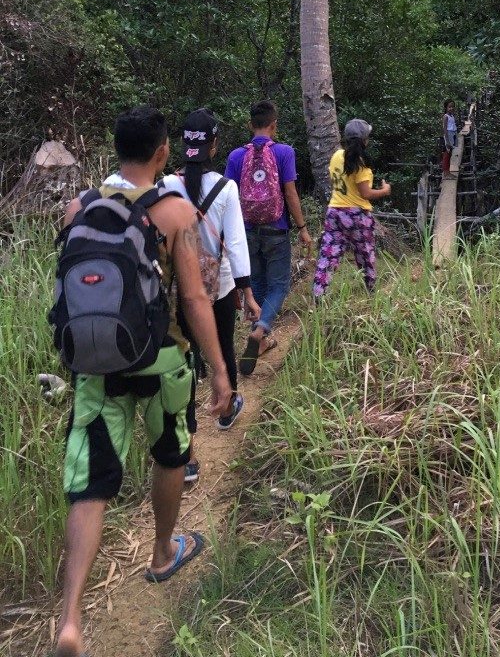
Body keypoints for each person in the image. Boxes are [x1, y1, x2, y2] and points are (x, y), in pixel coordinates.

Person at [53, 106, 231, 657]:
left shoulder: (78, 207)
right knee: (170, 455)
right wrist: (221, 372)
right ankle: (160, 552)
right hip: (160, 361)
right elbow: (196, 300)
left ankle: (70, 618)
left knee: (91, 483)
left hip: (95, 367)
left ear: (115, 147)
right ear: (162, 153)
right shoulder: (175, 213)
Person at [162, 108, 261, 484]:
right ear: (215, 145)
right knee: (223, 346)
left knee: (183, 359)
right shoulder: (226, 189)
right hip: (216, 286)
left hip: (177, 291)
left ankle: (185, 456)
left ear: (184, 145)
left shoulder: (166, 187)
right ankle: (226, 408)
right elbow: (235, 245)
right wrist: (248, 293)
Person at [225, 100, 313, 374]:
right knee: (279, 286)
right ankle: (261, 329)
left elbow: (228, 197)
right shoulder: (285, 152)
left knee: (259, 286)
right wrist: (302, 228)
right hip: (277, 229)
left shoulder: (235, 156)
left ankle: (259, 338)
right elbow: (290, 193)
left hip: (247, 230)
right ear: (274, 125)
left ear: (250, 125)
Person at [313, 118, 390, 299]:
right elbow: (366, 194)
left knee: (328, 254)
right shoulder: (360, 163)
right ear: (365, 140)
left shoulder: (336, 156)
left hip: (335, 212)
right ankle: (372, 292)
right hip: (357, 215)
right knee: (365, 253)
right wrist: (384, 191)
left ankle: (319, 294)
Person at [441, 99, 458, 176]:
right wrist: (447, 141)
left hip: (452, 134)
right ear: (446, 108)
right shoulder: (446, 116)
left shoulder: (452, 116)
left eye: (453, 107)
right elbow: (445, 129)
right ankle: (446, 172)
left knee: (450, 153)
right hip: (448, 136)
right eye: (449, 107)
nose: (451, 108)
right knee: (446, 154)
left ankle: (448, 171)